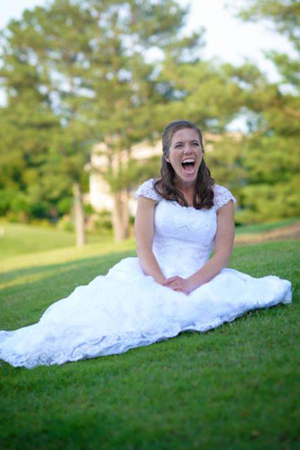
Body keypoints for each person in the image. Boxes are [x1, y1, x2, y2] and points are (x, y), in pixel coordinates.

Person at [0, 120, 292, 369]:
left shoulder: (221, 198)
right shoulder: (151, 192)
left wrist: (189, 284)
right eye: (179, 146)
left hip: (200, 279)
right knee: (102, 317)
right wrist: (162, 283)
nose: (188, 150)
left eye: (194, 144)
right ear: (167, 156)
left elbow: (223, 254)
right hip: (150, 273)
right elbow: (144, 247)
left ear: (202, 151)